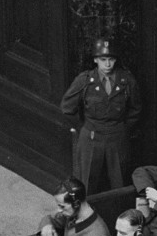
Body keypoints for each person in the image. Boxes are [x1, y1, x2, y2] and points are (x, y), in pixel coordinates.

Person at [60, 36, 141, 192]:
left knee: (120, 183)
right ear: (96, 60)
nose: (108, 64)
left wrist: (122, 129)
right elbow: (67, 108)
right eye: (103, 59)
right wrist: (83, 127)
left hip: (117, 137)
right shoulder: (85, 80)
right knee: (87, 183)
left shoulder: (126, 81)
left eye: (111, 59)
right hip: (91, 137)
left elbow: (136, 109)